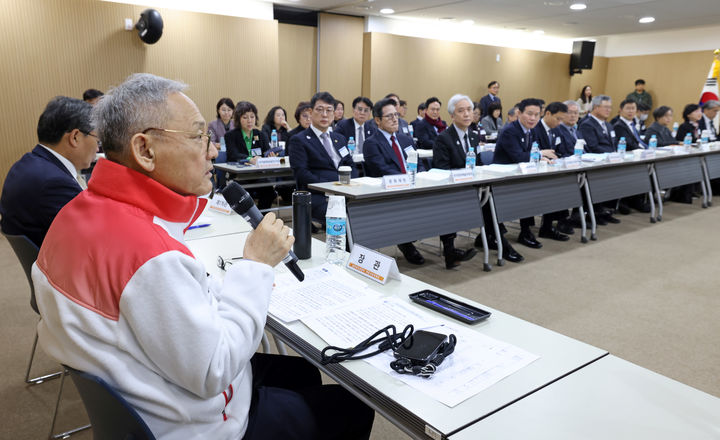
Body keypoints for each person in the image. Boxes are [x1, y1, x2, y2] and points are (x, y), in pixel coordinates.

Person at [32, 73, 374, 440]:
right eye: (199, 137)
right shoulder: (150, 257)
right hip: (200, 423)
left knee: (302, 373)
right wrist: (256, 266)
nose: (212, 151)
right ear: (145, 150)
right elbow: (215, 369)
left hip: (147, 392)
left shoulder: (75, 213)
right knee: (352, 404)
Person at [0, 96, 99, 248]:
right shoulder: (55, 184)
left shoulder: (25, 164)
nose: (98, 148)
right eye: (97, 140)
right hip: (63, 265)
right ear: (75, 137)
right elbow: (96, 235)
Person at [362, 98, 427, 266]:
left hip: (413, 186)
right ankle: (405, 243)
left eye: (396, 115)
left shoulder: (405, 139)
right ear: (377, 120)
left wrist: (419, 176)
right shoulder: (371, 143)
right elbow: (382, 169)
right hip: (390, 191)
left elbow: (418, 163)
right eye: (389, 116)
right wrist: (408, 180)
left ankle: (449, 249)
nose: (395, 119)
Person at [493, 98, 559, 250]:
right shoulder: (510, 130)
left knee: (539, 189)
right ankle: (524, 231)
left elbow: (530, 154)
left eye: (537, 115)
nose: (533, 118)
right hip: (502, 179)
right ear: (519, 113)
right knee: (529, 192)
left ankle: (528, 230)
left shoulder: (531, 131)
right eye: (529, 114)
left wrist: (542, 158)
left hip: (520, 176)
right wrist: (541, 153)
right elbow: (518, 156)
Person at [289, 91, 358, 222]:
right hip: (318, 195)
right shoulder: (299, 140)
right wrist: (332, 186)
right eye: (320, 110)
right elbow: (302, 174)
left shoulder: (340, 138)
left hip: (346, 192)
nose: (325, 114)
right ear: (310, 111)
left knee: (367, 209)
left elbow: (351, 166)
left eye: (329, 110)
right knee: (346, 215)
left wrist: (350, 184)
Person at [531, 101, 574, 241]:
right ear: (548, 114)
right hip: (534, 172)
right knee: (554, 186)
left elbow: (559, 150)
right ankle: (549, 225)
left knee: (563, 183)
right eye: (558, 118)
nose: (560, 122)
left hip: (551, 169)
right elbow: (531, 152)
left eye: (562, 119)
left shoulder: (557, 129)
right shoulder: (534, 128)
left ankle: (554, 223)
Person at [224, 101, 276, 209]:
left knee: (270, 192)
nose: (249, 120)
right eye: (245, 117)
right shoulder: (230, 135)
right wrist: (249, 159)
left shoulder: (260, 134)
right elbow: (233, 155)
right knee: (243, 196)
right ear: (238, 119)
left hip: (258, 175)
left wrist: (270, 156)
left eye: (252, 117)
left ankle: (261, 217)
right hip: (239, 177)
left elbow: (267, 151)